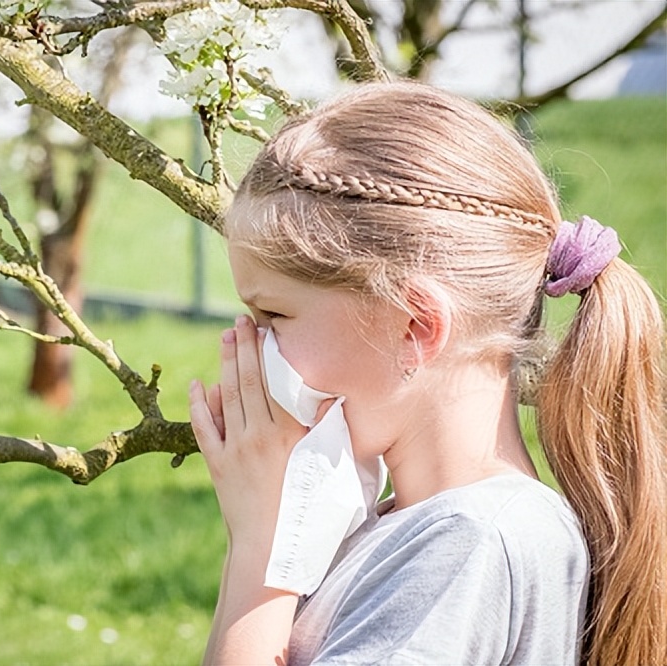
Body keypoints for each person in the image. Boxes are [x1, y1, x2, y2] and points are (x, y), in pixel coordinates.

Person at [188, 82, 666, 666]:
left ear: (414, 326)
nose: (252, 346)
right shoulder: (410, 529)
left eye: (274, 316)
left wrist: (263, 548)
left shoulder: (470, 543)